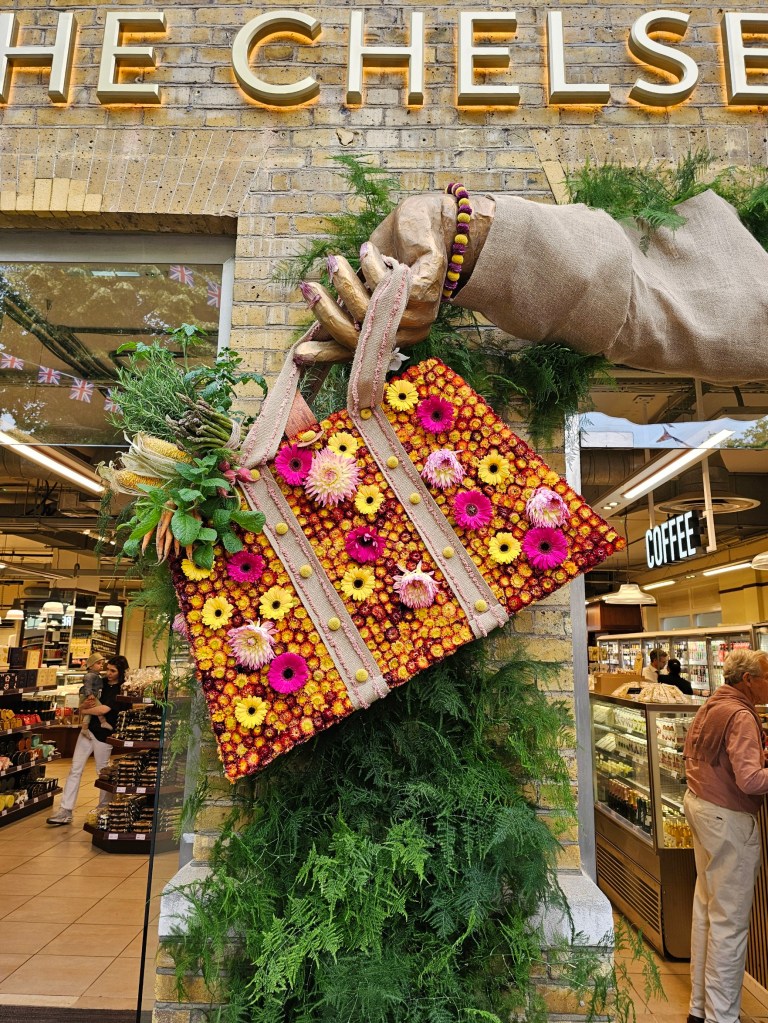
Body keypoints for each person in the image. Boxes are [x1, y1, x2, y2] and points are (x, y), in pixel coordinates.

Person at [683, 648, 768, 1023]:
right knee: (730, 924)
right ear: (748, 680)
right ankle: (723, 1017)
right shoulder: (742, 715)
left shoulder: (713, 704)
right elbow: (750, 780)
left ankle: (699, 1009)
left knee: (706, 911)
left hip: (700, 807)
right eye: (767, 677)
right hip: (729, 819)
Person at [46, 654, 129, 826]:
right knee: (75, 770)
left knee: (103, 773)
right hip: (87, 731)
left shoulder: (122, 689)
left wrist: (84, 711)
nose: (109, 673)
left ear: (121, 672)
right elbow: (84, 702)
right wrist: (83, 707)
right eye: (107, 669)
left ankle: (103, 810)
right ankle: (65, 810)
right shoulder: (100, 683)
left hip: (104, 736)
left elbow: (103, 710)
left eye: (113, 671)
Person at [78, 652, 112, 733]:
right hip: (89, 695)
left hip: (92, 695)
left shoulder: (97, 675)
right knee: (98, 707)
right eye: (98, 663)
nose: (101, 665)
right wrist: (89, 694)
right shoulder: (89, 676)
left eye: (102, 663)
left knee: (89, 713)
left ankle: (84, 728)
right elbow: (87, 685)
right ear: (90, 666)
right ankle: (103, 722)